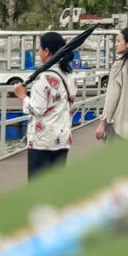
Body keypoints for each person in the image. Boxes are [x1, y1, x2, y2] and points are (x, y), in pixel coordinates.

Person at [14, 31, 77, 180]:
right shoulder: (69, 75)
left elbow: (37, 108)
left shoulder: (44, 78)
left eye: (39, 49)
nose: (39, 53)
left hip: (42, 141)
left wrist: (23, 96)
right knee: (55, 185)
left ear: (47, 51)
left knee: (38, 185)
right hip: (62, 138)